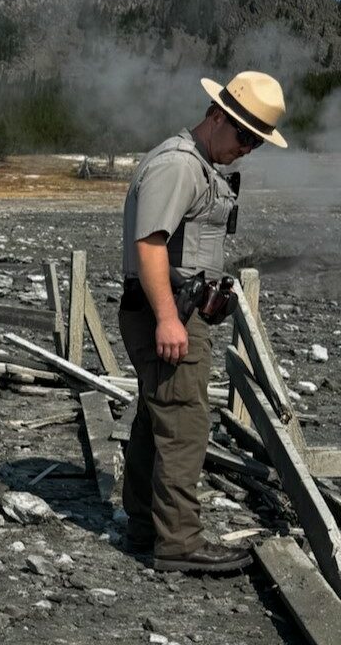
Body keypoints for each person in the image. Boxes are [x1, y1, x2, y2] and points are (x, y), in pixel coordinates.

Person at [118, 71, 287, 573]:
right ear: (217, 116)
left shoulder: (198, 164)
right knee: (186, 423)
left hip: (174, 307)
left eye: (257, 141)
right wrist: (169, 318)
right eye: (244, 136)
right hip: (166, 311)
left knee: (159, 417)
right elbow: (149, 244)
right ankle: (179, 544)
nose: (248, 148)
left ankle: (146, 527)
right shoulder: (179, 165)